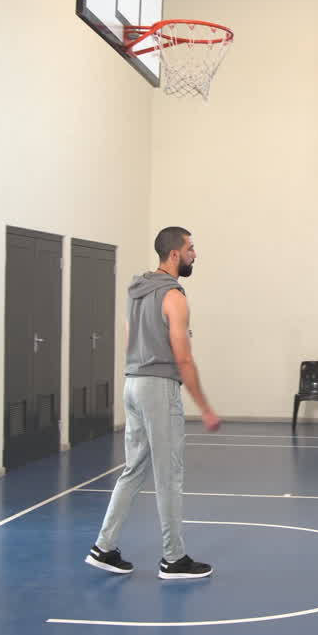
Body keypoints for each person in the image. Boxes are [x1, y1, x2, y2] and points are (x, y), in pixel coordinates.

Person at [86, 226, 222, 579]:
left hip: (132, 384)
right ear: (174, 254)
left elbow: (131, 337)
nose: (195, 253)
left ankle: (104, 547)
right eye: (191, 248)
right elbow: (184, 359)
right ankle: (174, 559)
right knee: (169, 474)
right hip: (158, 388)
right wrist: (205, 406)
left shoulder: (136, 291)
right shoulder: (174, 297)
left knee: (134, 469)